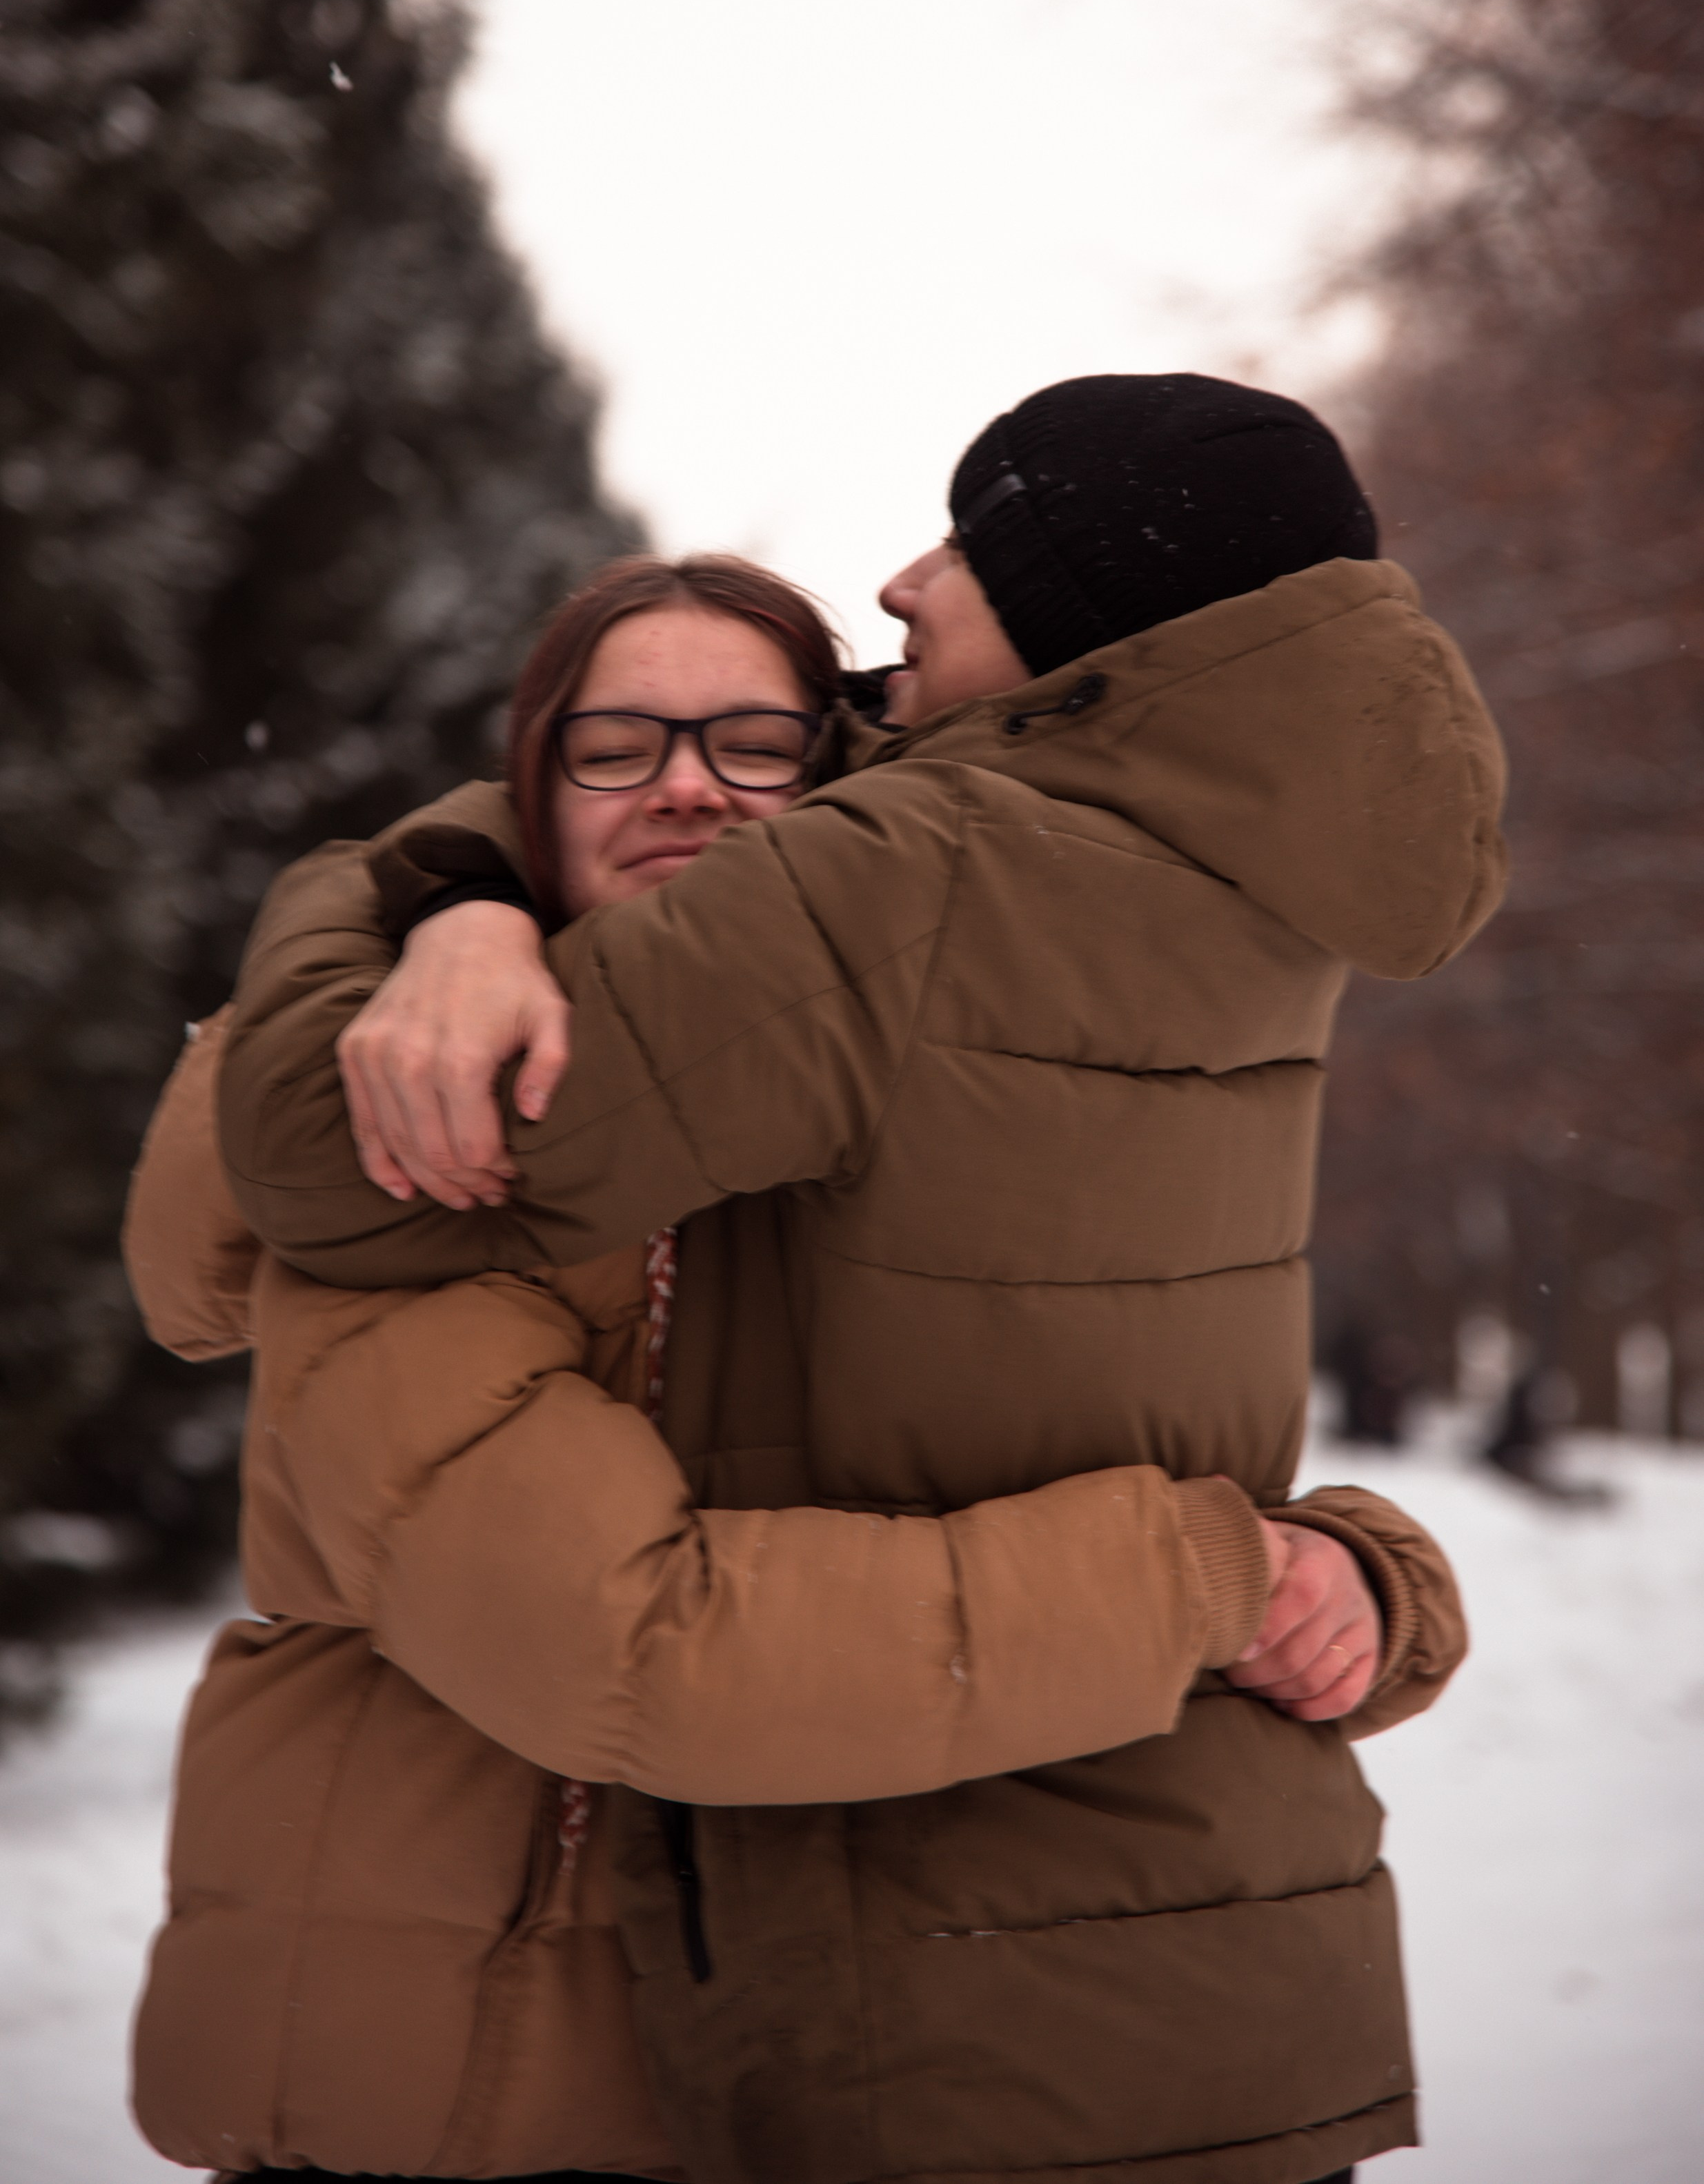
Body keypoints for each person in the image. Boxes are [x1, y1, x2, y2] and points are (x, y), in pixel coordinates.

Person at [215, 374, 1501, 2184]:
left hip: (960, 2002)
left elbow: (300, 1141)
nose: (904, 581)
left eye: (975, 541)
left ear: (1083, 611)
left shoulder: (904, 882)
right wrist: (1353, 1574)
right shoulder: (1254, 892)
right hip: (1238, 1966)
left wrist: (413, 893)